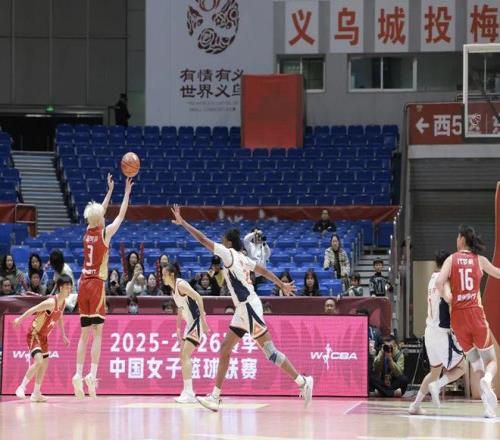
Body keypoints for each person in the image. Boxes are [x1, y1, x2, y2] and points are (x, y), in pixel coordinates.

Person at [170, 204, 313, 411]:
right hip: (243, 309)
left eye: (222, 239)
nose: (220, 241)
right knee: (225, 349)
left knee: (270, 352)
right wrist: (280, 284)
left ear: (228, 242)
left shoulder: (228, 254)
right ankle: (215, 396)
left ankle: (303, 381)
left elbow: (202, 240)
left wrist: (183, 223)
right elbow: (263, 270)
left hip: (248, 307)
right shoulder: (243, 258)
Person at [72, 174, 133, 399]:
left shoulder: (87, 230)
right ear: (101, 220)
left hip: (82, 283)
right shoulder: (105, 234)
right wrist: (125, 193)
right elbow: (121, 215)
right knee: (98, 333)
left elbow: (100, 212)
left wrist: (109, 192)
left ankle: (77, 374)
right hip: (96, 284)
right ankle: (92, 374)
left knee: (84, 334)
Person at [435, 225, 500, 418]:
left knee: (476, 364)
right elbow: (498, 273)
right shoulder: (479, 260)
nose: (456, 239)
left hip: (458, 319)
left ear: (462, 238)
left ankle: (488, 408)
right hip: (475, 315)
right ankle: (488, 380)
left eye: (458, 236)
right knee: (491, 361)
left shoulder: (451, 259)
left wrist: (448, 298)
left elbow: (439, 283)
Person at [409, 250, 466, 415]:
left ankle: (415, 406)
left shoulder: (432, 279)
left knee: (434, 372)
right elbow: (449, 300)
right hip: (442, 333)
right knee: (462, 367)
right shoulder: (444, 280)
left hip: (429, 332)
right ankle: (438, 385)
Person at [13, 275, 72, 402]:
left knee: (44, 364)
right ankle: (21, 387)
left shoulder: (63, 303)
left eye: (70, 287)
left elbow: (60, 317)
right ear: (60, 288)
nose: (69, 289)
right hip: (34, 334)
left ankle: (36, 393)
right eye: (67, 287)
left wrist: (63, 335)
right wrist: (20, 319)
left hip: (44, 337)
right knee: (39, 361)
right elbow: (33, 309)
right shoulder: (51, 302)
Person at [162, 263, 210, 403]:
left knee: (185, 355)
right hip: (189, 324)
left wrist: (204, 322)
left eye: (164, 274)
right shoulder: (173, 290)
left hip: (196, 321)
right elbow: (180, 308)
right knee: (182, 356)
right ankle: (187, 391)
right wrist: (178, 328)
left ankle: (189, 393)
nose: (162, 277)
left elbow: (199, 297)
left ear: (171, 274)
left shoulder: (181, 285)